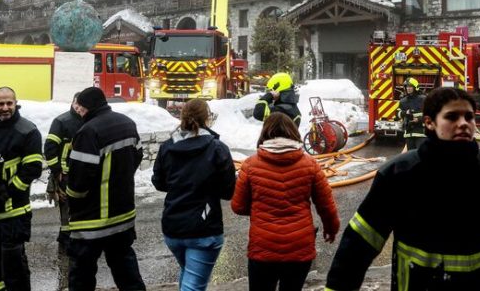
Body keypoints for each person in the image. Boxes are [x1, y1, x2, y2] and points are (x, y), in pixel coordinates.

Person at [325, 87, 480, 291]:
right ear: (430, 123)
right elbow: (359, 243)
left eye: (469, 117)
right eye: (452, 117)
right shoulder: (399, 175)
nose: (464, 123)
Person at [232, 112, 340, 291]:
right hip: (299, 248)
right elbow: (326, 205)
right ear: (293, 132)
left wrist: (260, 208)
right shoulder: (310, 164)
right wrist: (331, 229)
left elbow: (238, 206)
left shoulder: (250, 165)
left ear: (265, 133)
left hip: (263, 247)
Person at [66, 86, 146, 291]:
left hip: (92, 220)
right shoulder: (127, 123)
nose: (79, 113)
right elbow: (137, 157)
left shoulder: (88, 132)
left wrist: (72, 199)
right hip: (123, 216)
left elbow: (79, 181)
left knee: (81, 277)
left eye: (81, 109)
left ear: (87, 108)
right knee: (127, 273)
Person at [151, 99, 236, 291]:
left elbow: (159, 182)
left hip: (173, 226)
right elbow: (229, 190)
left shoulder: (167, 147)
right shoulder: (217, 148)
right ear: (207, 118)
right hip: (204, 228)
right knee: (194, 286)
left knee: (188, 275)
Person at [0, 86, 43, 291]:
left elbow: (32, 169)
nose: (5, 108)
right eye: (1, 104)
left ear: (16, 103)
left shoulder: (28, 131)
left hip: (14, 213)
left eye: (9, 103)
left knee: (14, 269)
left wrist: (6, 192)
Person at [44, 92, 85, 252]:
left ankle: (68, 236)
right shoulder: (62, 121)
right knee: (66, 205)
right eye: (77, 103)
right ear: (73, 102)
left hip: (82, 173)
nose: (79, 107)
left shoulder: (89, 120)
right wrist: (56, 171)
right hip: (65, 174)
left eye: (82, 104)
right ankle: (67, 238)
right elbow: (49, 148)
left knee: (79, 205)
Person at [395, 78, 426, 150]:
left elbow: (431, 114)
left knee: (421, 154)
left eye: (410, 87)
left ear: (415, 87)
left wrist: (419, 119)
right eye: (407, 87)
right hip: (409, 133)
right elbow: (397, 114)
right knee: (411, 156)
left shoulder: (423, 99)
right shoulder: (403, 101)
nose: (408, 89)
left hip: (421, 133)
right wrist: (405, 113)